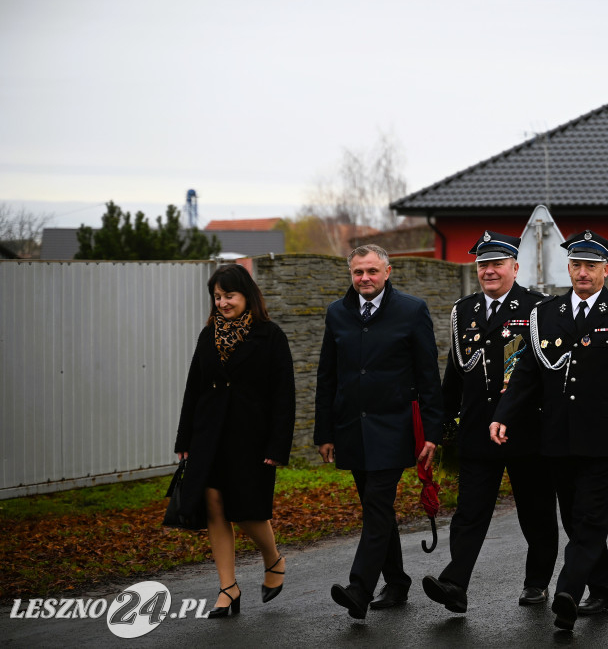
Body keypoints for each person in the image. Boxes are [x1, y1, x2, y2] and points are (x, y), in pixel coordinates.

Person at [489, 230, 608, 631]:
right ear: (568, 267)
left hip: (603, 437)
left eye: (591, 266)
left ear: (606, 269)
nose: (582, 273)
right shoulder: (546, 314)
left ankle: (568, 590)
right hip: (558, 435)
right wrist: (504, 414)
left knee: (590, 518)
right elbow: (528, 373)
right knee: (572, 517)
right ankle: (604, 589)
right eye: (576, 265)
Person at [422, 231, 558, 613]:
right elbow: (454, 377)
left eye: (497, 264)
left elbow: (545, 377)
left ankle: (537, 583)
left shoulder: (537, 308)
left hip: (526, 432)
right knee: (470, 512)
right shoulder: (463, 311)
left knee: (536, 513)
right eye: (483, 264)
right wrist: (440, 431)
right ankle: (455, 584)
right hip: (477, 433)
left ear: (515, 267)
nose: (489, 271)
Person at [314, 244, 444, 620]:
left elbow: (427, 376)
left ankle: (359, 589)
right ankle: (398, 582)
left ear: (388, 272)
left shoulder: (411, 310)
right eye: (358, 272)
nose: (365, 279)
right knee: (377, 508)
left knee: (375, 506)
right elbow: (327, 377)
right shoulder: (337, 313)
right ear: (350, 275)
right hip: (352, 429)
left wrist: (432, 433)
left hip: (394, 428)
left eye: (372, 271)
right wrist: (325, 432)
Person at [174, 263, 296, 618]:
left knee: (246, 510)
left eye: (229, 295)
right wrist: (184, 438)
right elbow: (193, 389)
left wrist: (278, 445)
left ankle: (273, 558)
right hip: (208, 435)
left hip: (252, 437)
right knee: (213, 503)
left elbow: (283, 395)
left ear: (247, 296)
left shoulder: (270, 335)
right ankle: (228, 587)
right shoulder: (207, 335)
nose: (223, 303)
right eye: (217, 296)